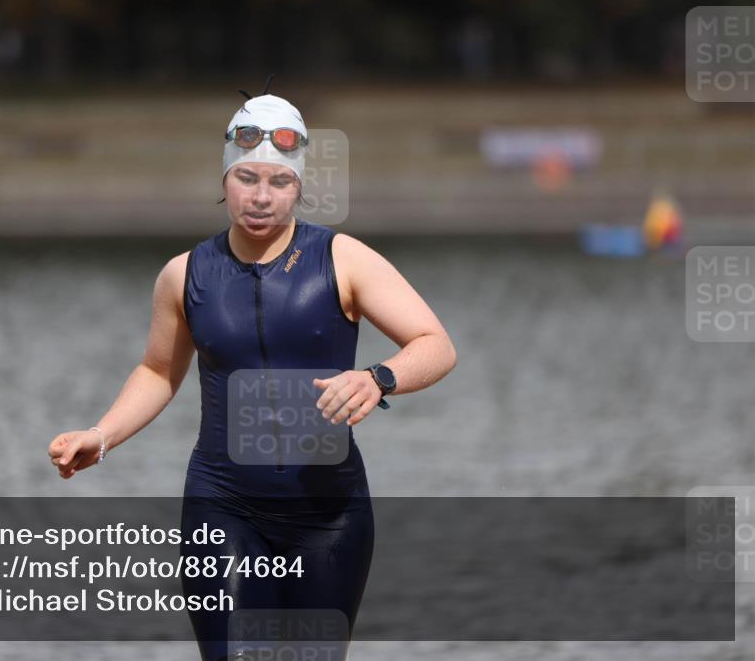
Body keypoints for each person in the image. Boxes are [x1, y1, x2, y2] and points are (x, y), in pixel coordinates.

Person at [48, 88, 457, 661]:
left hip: (327, 517)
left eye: (279, 182)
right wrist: (102, 434)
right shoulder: (184, 275)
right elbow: (158, 371)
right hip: (222, 506)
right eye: (246, 178)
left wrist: (378, 377)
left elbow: (435, 345)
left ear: (299, 185)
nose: (261, 197)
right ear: (223, 179)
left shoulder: (343, 259)